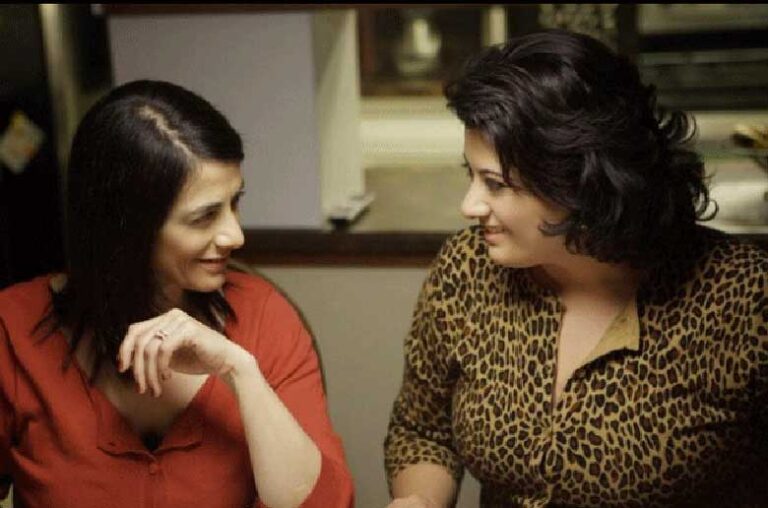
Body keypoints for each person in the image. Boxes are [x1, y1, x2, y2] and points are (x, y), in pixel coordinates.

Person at [384, 29, 767, 508]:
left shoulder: (745, 298)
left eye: (495, 183)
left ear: (580, 182)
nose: (470, 205)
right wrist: (419, 501)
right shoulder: (466, 268)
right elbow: (423, 431)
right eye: (471, 175)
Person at [0, 79, 353, 508]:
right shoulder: (12, 331)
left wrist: (239, 370)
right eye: (204, 217)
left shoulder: (264, 317)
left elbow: (325, 504)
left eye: (234, 203)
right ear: (126, 230)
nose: (235, 235)